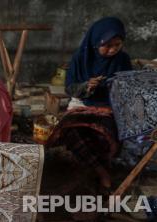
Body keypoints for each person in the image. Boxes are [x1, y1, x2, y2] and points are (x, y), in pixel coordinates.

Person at [48, 17, 132, 192]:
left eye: (117, 44)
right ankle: (101, 171)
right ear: (95, 42)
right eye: (107, 45)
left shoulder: (122, 59)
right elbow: (69, 88)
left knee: (102, 135)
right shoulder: (80, 58)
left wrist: (114, 86)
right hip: (81, 103)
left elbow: (129, 87)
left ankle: (93, 169)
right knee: (70, 131)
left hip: (109, 106)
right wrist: (86, 86)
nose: (113, 50)